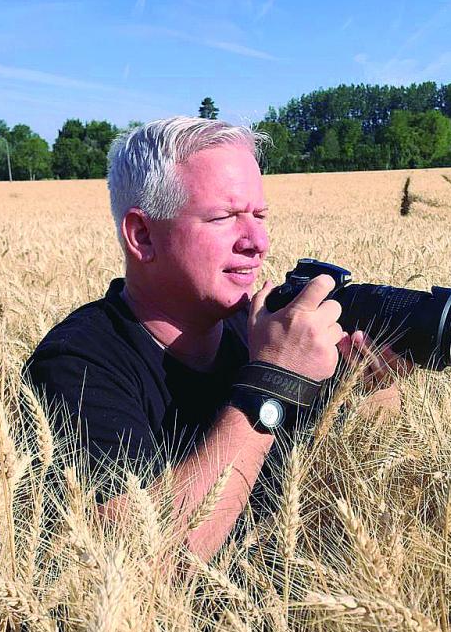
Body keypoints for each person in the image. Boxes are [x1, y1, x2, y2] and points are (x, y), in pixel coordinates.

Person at [24, 117, 408, 561]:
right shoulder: (77, 365)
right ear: (142, 235)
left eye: (260, 215)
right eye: (224, 217)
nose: (258, 242)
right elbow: (141, 562)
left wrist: (370, 385)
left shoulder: (259, 331)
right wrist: (274, 383)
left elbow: (352, 480)